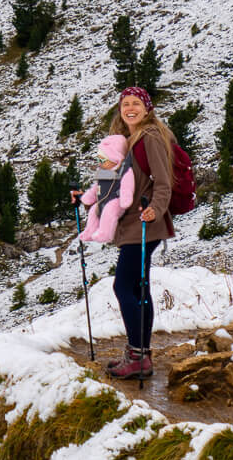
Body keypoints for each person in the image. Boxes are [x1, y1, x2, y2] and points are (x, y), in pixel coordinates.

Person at [75, 85, 176, 380]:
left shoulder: (150, 137)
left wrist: (155, 208)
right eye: (125, 104)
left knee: (123, 286)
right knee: (138, 288)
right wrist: (84, 198)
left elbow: (164, 181)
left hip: (144, 223)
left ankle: (137, 356)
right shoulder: (125, 141)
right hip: (135, 223)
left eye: (136, 103)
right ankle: (141, 354)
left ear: (147, 108)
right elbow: (110, 182)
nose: (130, 108)